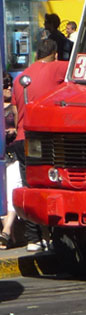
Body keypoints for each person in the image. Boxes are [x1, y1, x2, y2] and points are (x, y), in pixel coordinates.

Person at [11, 38, 68, 252]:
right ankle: (56, 237)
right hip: (46, 140)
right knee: (54, 187)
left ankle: (33, 238)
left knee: (30, 187)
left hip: (22, 138)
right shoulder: (57, 68)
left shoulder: (21, 78)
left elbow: (17, 113)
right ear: (54, 54)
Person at [1, 74, 18, 249]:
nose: (8, 88)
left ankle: (6, 230)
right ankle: (10, 236)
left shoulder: (14, 107)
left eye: (10, 85)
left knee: (12, 191)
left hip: (13, 156)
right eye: (5, 85)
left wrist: (14, 130)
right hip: (1, 157)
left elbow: (21, 126)